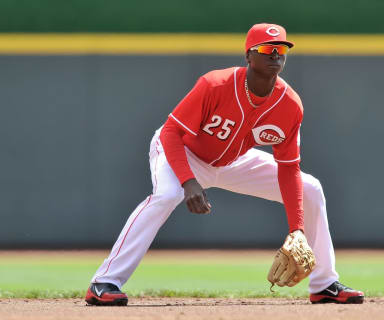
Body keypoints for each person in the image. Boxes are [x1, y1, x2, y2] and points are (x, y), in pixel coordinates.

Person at [85, 23, 364, 306]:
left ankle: (324, 284)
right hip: (182, 152)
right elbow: (171, 133)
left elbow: (288, 167)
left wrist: (297, 230)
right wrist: (187, 180)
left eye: (281, 49)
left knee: (311, 189)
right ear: (249, 56)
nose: (275, 54)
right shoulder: (215, 84)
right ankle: (104, 281)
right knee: (167, 195)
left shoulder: (289, 104)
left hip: (234, 161)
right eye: (267, 49)